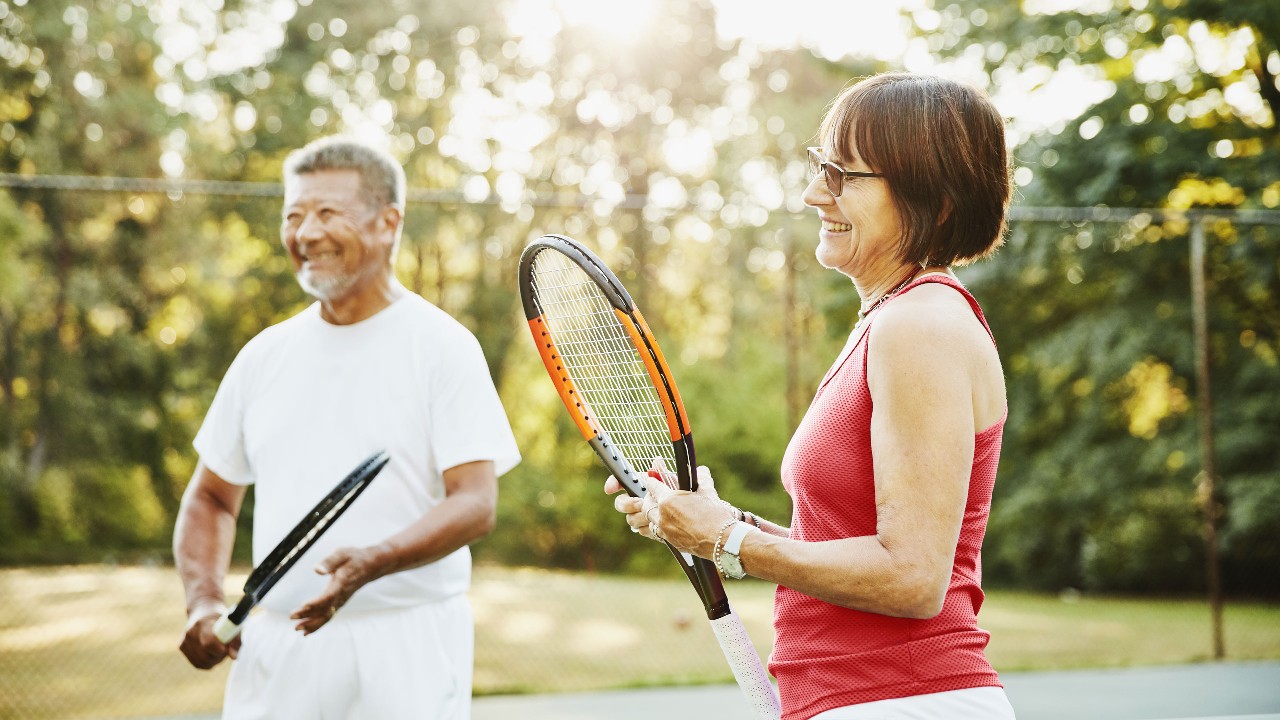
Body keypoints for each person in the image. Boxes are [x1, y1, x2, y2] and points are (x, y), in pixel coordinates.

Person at [609, 73, 1017, 719]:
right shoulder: (893, 321)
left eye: (845, 175)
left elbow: (912, 578)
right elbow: (849, 545)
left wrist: (730, 545)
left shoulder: (920, 326)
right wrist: (719, 523)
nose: (812, 192)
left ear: (934, 200)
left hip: (902, 699)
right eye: (820, 167)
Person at [174, 136, 520, 719]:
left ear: (388, 223)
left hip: (408, 646)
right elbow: (211, 496)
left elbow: (476, 504)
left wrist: (373, 561)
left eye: (327, 213)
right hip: (277, 649)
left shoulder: (443, 348)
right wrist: (203, 603)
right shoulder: (264, 356)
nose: (306, 233)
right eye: (293, 215)